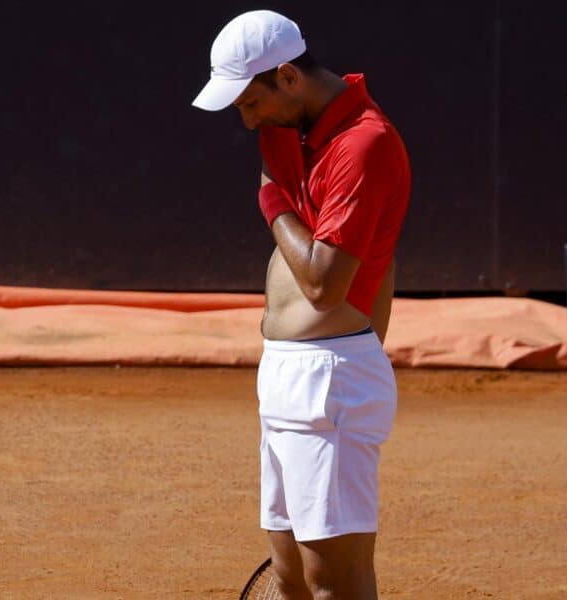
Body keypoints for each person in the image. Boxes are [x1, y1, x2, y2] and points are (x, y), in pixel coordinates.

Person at [192, 10, 411, 600]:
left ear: (287, 76)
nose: (247, 121)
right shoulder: (288, 130)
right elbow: (377, 264)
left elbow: (322, 285)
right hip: (288, 373)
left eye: (249, 103)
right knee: (290, 578)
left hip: (328, 380)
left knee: (333, 585)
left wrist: (271, 199)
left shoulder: (366, 144)